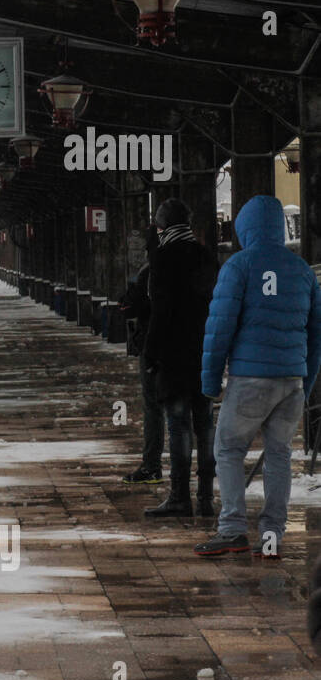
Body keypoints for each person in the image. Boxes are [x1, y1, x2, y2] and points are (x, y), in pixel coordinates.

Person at [196, 194, 321, 557]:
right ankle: (272, 536)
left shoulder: (239, 266)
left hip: (251, 379)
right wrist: (305, 380)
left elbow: (219, 328)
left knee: (229, 448)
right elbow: (316, 335)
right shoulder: (301, 271)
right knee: (279, 454)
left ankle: (233, 527)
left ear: (244, 228)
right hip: (291, 381)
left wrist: (209, 381)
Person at [142, 198, 219, 518]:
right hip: (205, 352)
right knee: (205, 426)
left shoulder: (163, 259)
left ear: (163, 227)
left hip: (174, 356)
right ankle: (205, 498)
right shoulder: (206, 257)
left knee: (178, 425)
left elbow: (160, 312)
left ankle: (179, 496)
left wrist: (150, 352)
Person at [118, 229, 163, 484]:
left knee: (154, 408)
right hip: (189, 348)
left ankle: (152, 466)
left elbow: (127, 306)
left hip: (153, 348)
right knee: (190, 411)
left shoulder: (149, 273)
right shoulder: (194, 265)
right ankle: (204, 471)